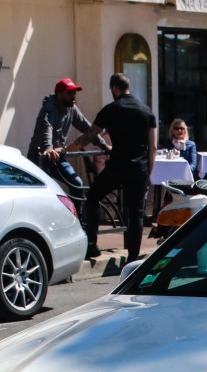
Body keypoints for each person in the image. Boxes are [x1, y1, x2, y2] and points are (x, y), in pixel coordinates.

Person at [77, 73, 158, 263]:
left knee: (94, 196)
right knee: (135, 213)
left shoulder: (111, 109)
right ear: (128, 87)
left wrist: (67, 149)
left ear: (114, 88)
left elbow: (90, 135)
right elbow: (153, 148)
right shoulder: (147, 112)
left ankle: (92, 244)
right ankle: (132, 257)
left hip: (117, 166)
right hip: (139, 168)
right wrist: (148, 175)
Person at [27, 78, 101, 206]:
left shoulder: (71, 108)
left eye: (74, 93)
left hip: (57, 156)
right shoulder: (49, 108)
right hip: (40, 157)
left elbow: (87, 128)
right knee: (43, 191)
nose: (73, 96)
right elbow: (47, 127)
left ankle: (77, 220)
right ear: (59, 94)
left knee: (77, 184)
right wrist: (48, 148)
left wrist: (104, 144)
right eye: (69, 93)